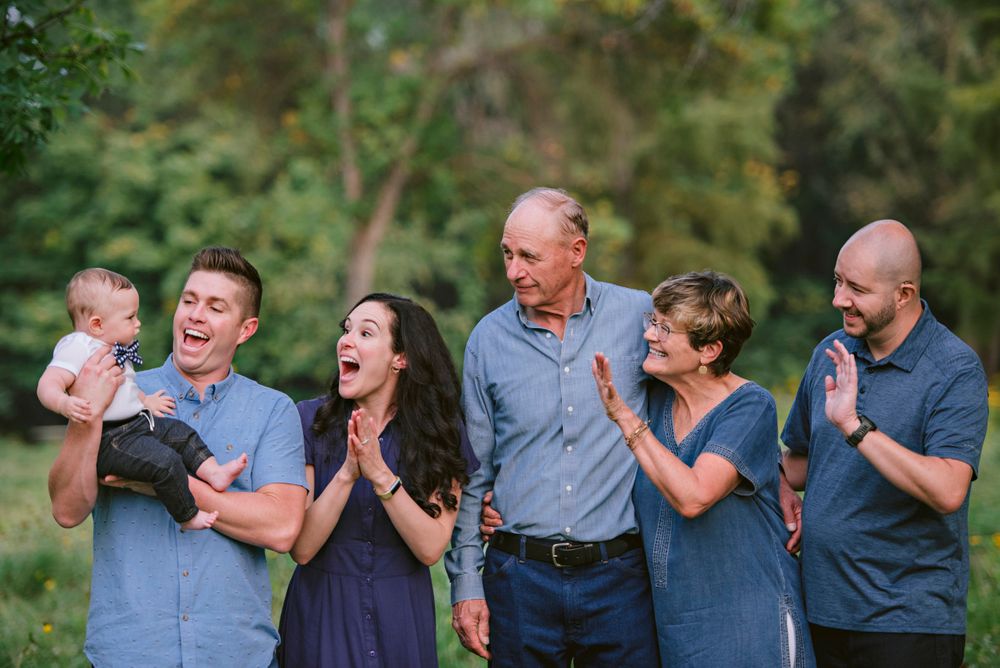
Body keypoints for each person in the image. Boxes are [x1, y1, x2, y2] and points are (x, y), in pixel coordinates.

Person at [48, 247, 308, 667]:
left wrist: (169, 484)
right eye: (189, 300)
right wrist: (88, 417)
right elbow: (66, 510)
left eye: (215, 307)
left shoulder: (273, 410)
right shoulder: (113, 389)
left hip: (234, 654)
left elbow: (281, 528)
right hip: (131, 653)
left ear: (245, 329)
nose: (195, 314)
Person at [446, 187, 658, 666]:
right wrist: (466, 583)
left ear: (576, 251)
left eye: (529, 257)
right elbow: (472, 472)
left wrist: (771, 475)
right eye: (507, 253)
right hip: (519, 580)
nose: (513, 271)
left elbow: (698, 397)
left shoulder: (639, 316)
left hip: (621, 579)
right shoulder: (487, 339)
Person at [780, 220, 989, 667]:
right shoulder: (831, 352)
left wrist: (854, 426)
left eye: (857, 288)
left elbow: (948, 489)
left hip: (906, 622)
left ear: (904, 294)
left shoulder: (954, 369)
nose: (839, 299)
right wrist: (778, 481)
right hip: (820, 610)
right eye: (837, 281)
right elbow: (801, 461)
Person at [593, 270, 814, 667]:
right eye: (652, 321)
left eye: (664, 329)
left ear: (709, 351)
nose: (649, 335)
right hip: (679, 630)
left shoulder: (749, 406)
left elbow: (694, 497)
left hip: (751, 627)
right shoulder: (656, 399)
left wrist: (624, 418)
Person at [278, 293, 478, 667]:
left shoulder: (440, 432)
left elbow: (431, 547)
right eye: (346, 329)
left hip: (400, 622)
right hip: (322, 619)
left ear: (400, 358)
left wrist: (380, 475)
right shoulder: (308, 421)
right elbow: (301, 548)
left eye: (366, 333)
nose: (346, 340)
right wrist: (347, 474)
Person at [37, 267, 247, 530]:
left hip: (136, 423)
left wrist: (146, 401)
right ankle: (187, 515)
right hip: (110, 438)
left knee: (181, 433)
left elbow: (124, 388)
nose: (138, 323)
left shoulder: (114, 349)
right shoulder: (78, 346)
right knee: (166, 461)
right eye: (130, 317)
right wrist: (64, 403)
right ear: (97, 324)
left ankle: (214, 472)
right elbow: (48, 383)